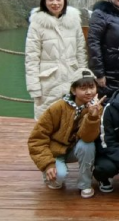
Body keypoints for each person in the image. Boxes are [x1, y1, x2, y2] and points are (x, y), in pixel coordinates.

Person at [28, 69, 104, 199]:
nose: (88, 92)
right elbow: (36, 139)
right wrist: (47, 164)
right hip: (54, 151)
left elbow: (88, 137)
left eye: (92, 87)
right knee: (58, 179)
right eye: (83, 88)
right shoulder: (58, 107)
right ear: (73, 90)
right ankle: (50, 172)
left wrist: (92, 116)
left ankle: (85, 184)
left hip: (75, 149)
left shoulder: (96, 108)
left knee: (88, 145)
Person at [25, 0, 88, 120]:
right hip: (47, 80)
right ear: (44, 2)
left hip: (72, 76)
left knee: (72, 118)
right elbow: (31, 57)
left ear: (64, 1)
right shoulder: (37, 24)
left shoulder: (73, 21)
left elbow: (81, 51)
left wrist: (83, 77)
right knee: (46, 120)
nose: (55, 3)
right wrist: (33, 86)